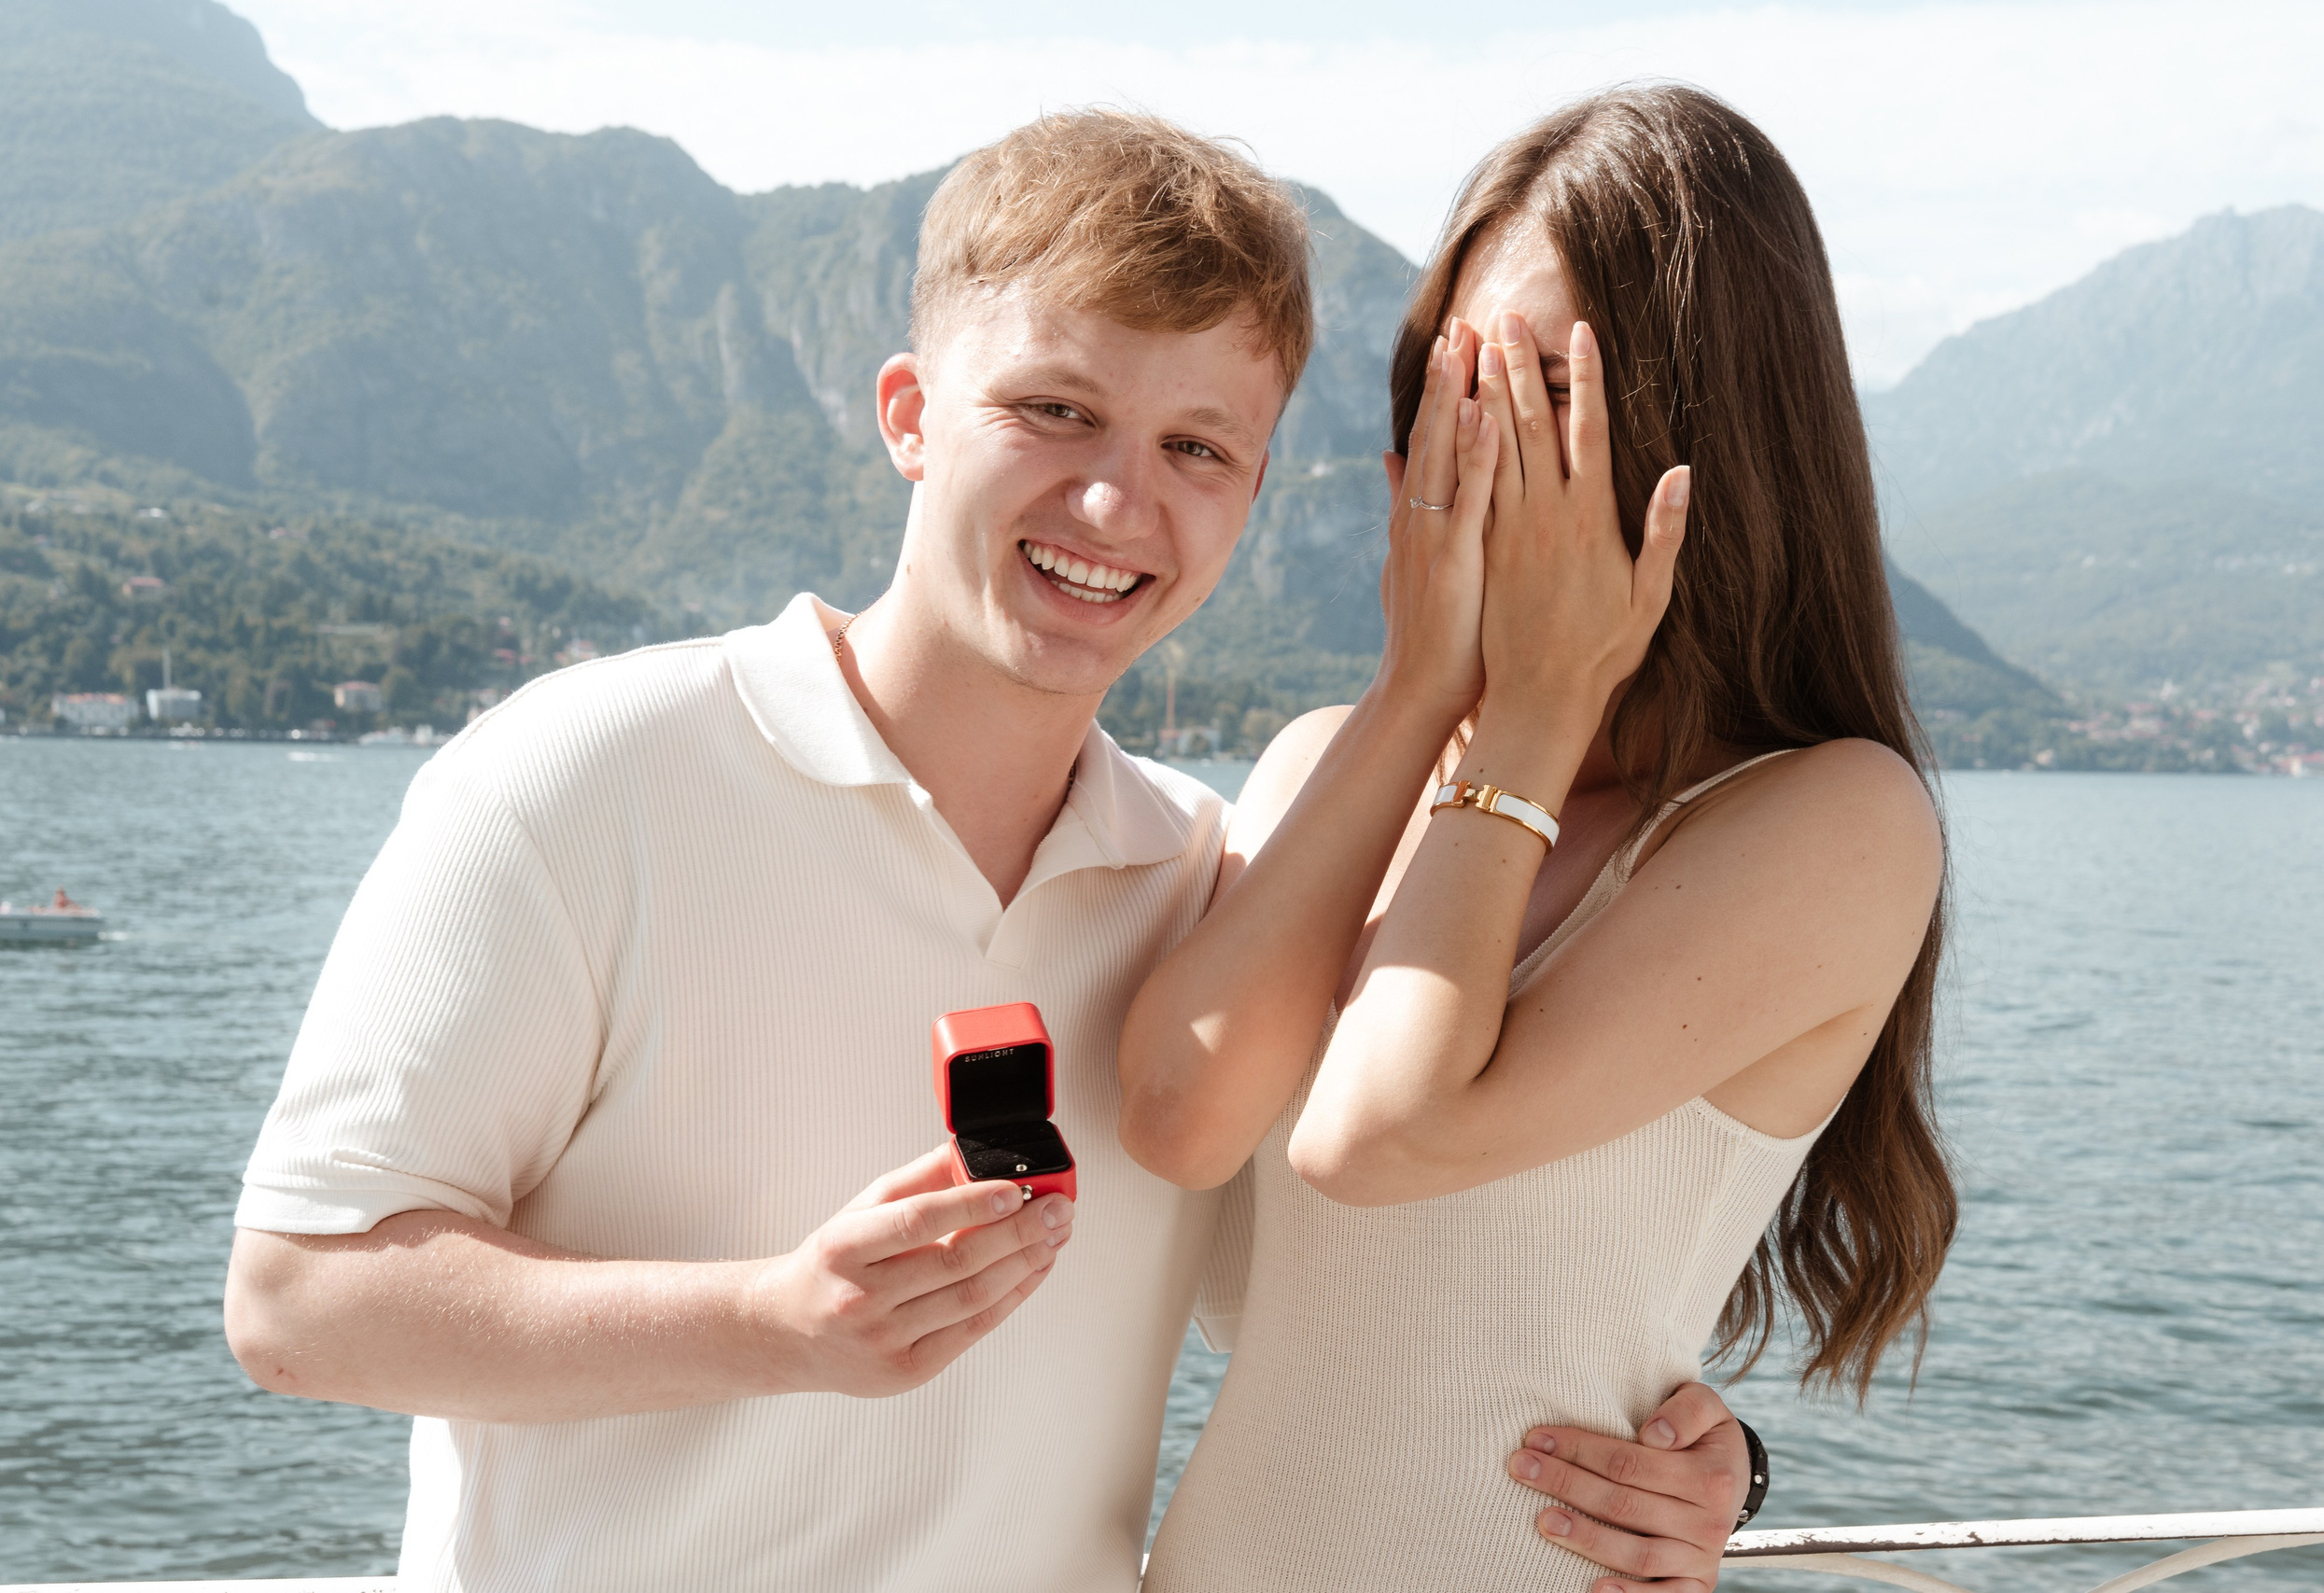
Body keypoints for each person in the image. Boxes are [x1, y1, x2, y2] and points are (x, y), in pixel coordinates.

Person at [222, 109, 1750, 1591]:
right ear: (907, 414)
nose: (1114, 500)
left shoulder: (1200, 879)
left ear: (1254, 496)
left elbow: (1336, 1298)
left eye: (1198, 448)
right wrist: (769, 1321)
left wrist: (1708, 1462)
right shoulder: (585, 773)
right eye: (1056, 410)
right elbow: (298, 1301)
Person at [1124, 84, 1960, 1593]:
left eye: (1544, 385)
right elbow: (1183, 1122)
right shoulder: (1335, 760)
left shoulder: (1834, 819)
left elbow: (1376, 1138)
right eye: (1454, 371)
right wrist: (1417, 695)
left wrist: (1528, 721)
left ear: (1710, 422)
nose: (1476, 426)